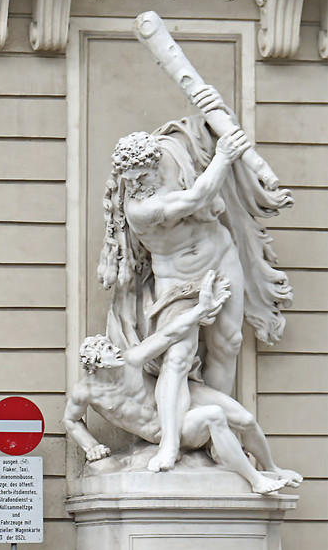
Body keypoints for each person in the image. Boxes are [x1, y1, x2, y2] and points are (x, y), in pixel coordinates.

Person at [100, 84, 292, 473]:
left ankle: (212, 441)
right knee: (178, 357)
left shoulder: (171, 158)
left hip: (220, 258)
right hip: (176, 282)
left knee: (229, 343)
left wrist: (217, 121)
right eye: (129, 179)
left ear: (153, 164)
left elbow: (201, 142)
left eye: (140, 175)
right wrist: (224, 155)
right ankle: (171, 442)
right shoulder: (140, 207)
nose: (134, 185)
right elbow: (197, 199)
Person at [64, 270, 301, 495]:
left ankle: (272, 468)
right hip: (164, 430)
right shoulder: (86, 392)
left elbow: (166, 335)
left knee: (246, 420)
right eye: (107, 349)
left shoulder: (131, 361)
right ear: (95, 363)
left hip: (177, 403)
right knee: (213, 415)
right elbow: (70, 420)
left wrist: (201, 310)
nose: (115, 349)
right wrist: (90, 446)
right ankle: (256, 480)